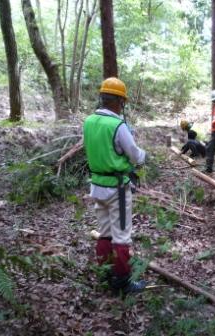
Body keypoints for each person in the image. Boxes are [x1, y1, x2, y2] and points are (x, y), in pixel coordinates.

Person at [83, 77, 147, 294]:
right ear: (119, 101)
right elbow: (135, 155)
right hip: (118, 189)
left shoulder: (89, 121)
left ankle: (105, 272)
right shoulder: (118, 125)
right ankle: (122, 282)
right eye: (122, 102)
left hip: (97, 186)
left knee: (104, 233)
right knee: (121, 236)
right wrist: (143, 156)